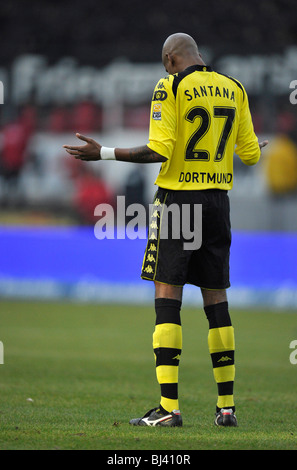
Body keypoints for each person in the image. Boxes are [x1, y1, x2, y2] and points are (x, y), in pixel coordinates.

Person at [63, 33, 268, 428]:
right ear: (199, 56)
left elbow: (160, 149)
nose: (165, 70)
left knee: (167, 293)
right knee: (216, 300)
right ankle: (226, 408)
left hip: (178, 201)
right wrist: (246, 146)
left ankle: (169, 408)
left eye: (165, 64)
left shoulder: (171, 86)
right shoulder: (235, 88)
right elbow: (251, 154)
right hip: (217, 204)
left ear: (172, 59)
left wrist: (103, 153)